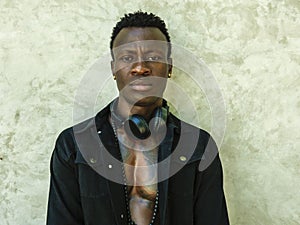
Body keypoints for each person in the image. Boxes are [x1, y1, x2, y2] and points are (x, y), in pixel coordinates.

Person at [46, 11, 230, 225]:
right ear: (114, 68)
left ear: (169, 67)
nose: (141, 67)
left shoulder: (199, 146)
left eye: (153, 58)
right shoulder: (74, 145)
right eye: (127, 58)